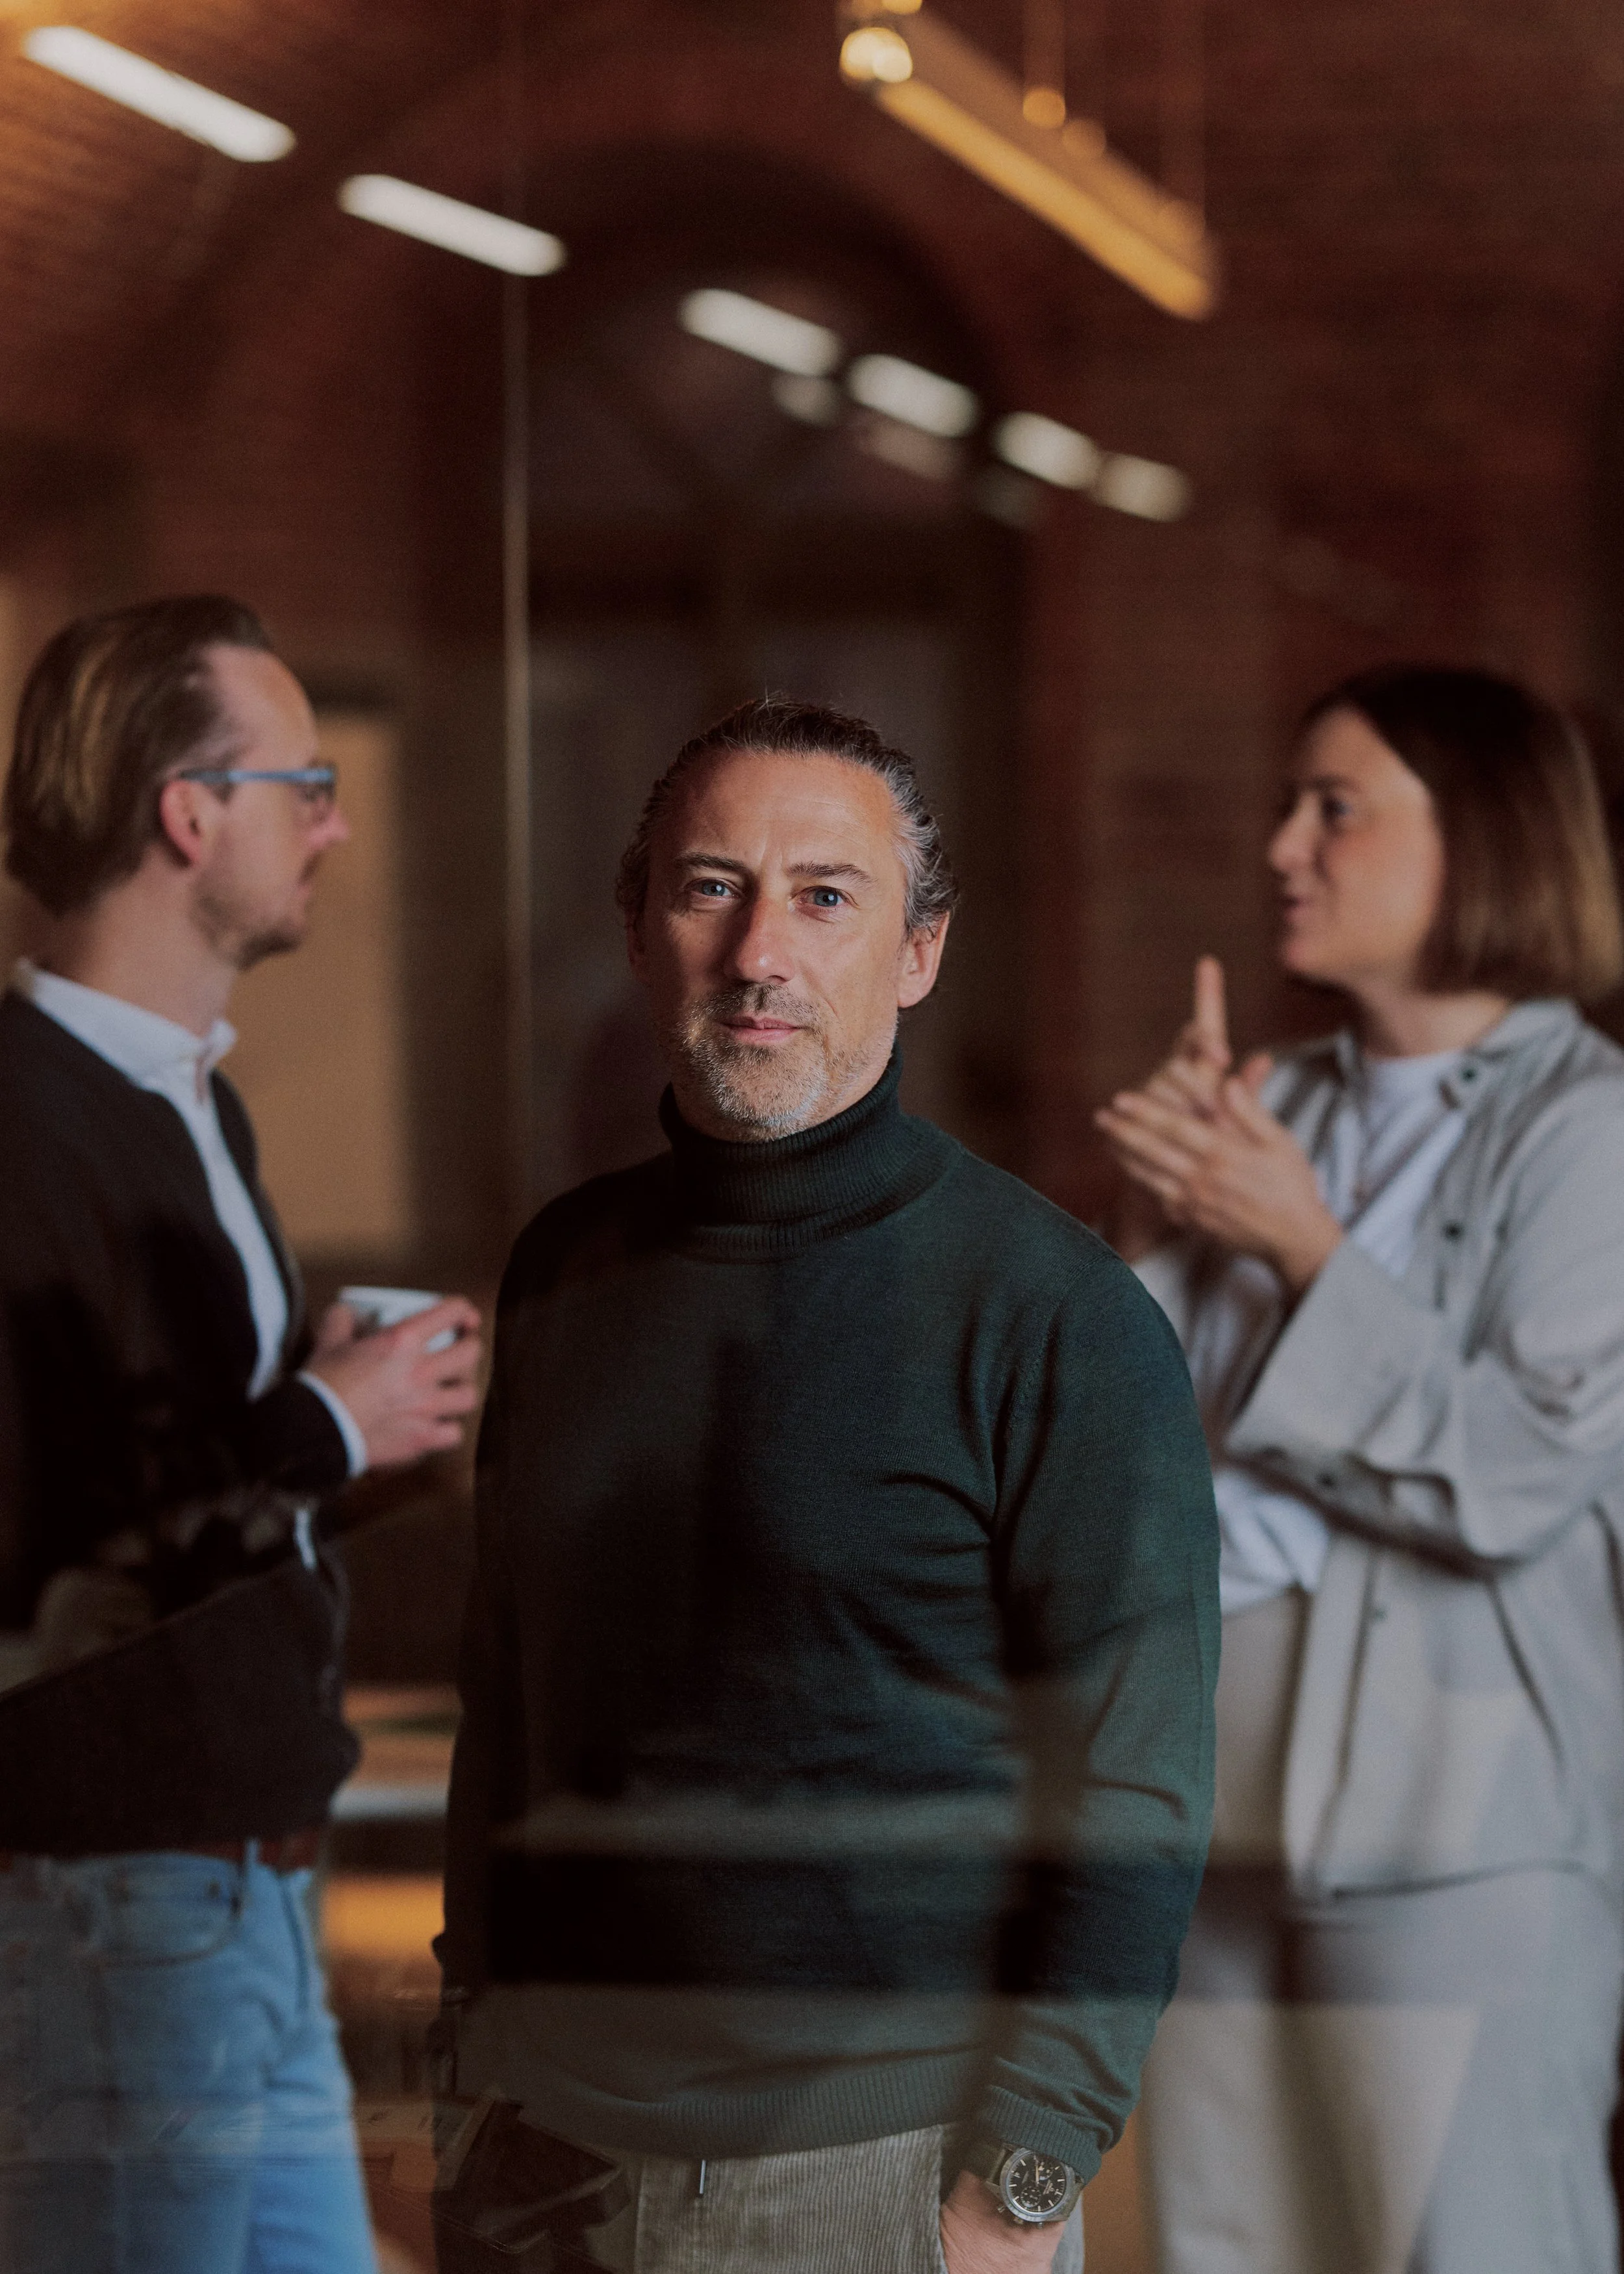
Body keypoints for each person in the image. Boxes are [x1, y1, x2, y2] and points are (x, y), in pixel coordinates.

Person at [435, 697, 1219, 2274]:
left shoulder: (1053, 1315)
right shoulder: (561, 1272)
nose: (757, 952)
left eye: (823, 895)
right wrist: (466, 2063)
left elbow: (1133, 1788)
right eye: (708, 886)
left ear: (918, 952)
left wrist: (1022, 2181)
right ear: (639, 929)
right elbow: (509, 1701)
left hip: (874, 2169)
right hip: (539, 2153)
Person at [1097, 665, 1624, 2274]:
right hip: (1207, 1809)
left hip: (1456, 1829)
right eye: (1285, 803)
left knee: (1477, 2249)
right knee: (1222, 2249)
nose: (1279, 846)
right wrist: (1149, 1230)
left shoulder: (1588, 1128)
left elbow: (1518, 1472)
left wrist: (1300, 1248)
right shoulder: (1270, 1108)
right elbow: (1116, 1457)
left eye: (1334, 807)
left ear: (1480, 837)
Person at [0, 596, 483, 2274]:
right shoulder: (18, 1124)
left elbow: (191, 1496)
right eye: (308, 783)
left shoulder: (195, 1095)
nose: (337, 824)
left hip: (248, 1893)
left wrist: (348, 1426)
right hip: (114, 1900)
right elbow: (46, 1567)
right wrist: (314, 1426)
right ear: (186, 813)